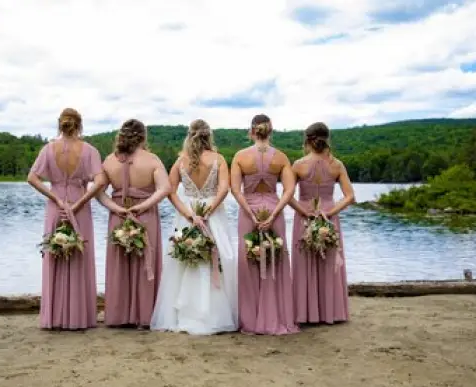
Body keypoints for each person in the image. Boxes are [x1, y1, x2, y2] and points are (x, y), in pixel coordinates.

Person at [150, 119, 238, 335]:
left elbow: (169, 191)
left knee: (184, 261)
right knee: (213, 260)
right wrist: (207, 212)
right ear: (209, 136)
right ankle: (211, 316)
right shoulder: (218, 159)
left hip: (187, 215)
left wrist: (189, 214)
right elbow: (224, 189)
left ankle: (183, 315)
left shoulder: (181, 161)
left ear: (189, 136)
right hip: (212, 215)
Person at [27, 108, 105, 330]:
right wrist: (79, 202)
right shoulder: (89, 150)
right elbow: (99, 181)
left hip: (56, 204)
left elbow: (32, 178)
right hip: (79, 204)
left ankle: (55, 317)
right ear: (79, 125)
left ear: (59, 124)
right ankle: (78, 318)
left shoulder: (48, 149)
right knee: (80, 255)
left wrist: (55, 197)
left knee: (56, 255)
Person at [230, 114, 299, 335]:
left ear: (251, 132)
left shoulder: (240, 157)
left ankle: (250, 320)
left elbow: (235, 190)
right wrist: (273, 214)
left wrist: (249, 212)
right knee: (275, 263)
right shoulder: (281, 157)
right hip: (273, 209)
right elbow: (289, 191)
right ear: (271, 131)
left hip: (248, 210)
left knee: (248, 263)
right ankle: (276, 317)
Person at [98, 119, 170, 328]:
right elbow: (164, 188)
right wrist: (143, 206)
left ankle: (118, 317)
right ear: (143, 136)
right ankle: (144, 317)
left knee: (118, 264)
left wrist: (116, 208)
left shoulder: (110, 160)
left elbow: (98, 191)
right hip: (144, 215)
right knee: (144, 261)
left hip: (119, 215)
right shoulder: (152, 159)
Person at [289, 121, 354, 325]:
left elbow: (288, 196)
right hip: (329, 217)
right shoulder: (337, 165)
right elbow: (349, 196)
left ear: (307, 140)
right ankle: (331, 313)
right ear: (327, 139)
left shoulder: (298, 164)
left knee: (304, 263)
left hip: (304, 217)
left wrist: (305, 212)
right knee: (328, 264)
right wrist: (329, 212)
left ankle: (305, 314)